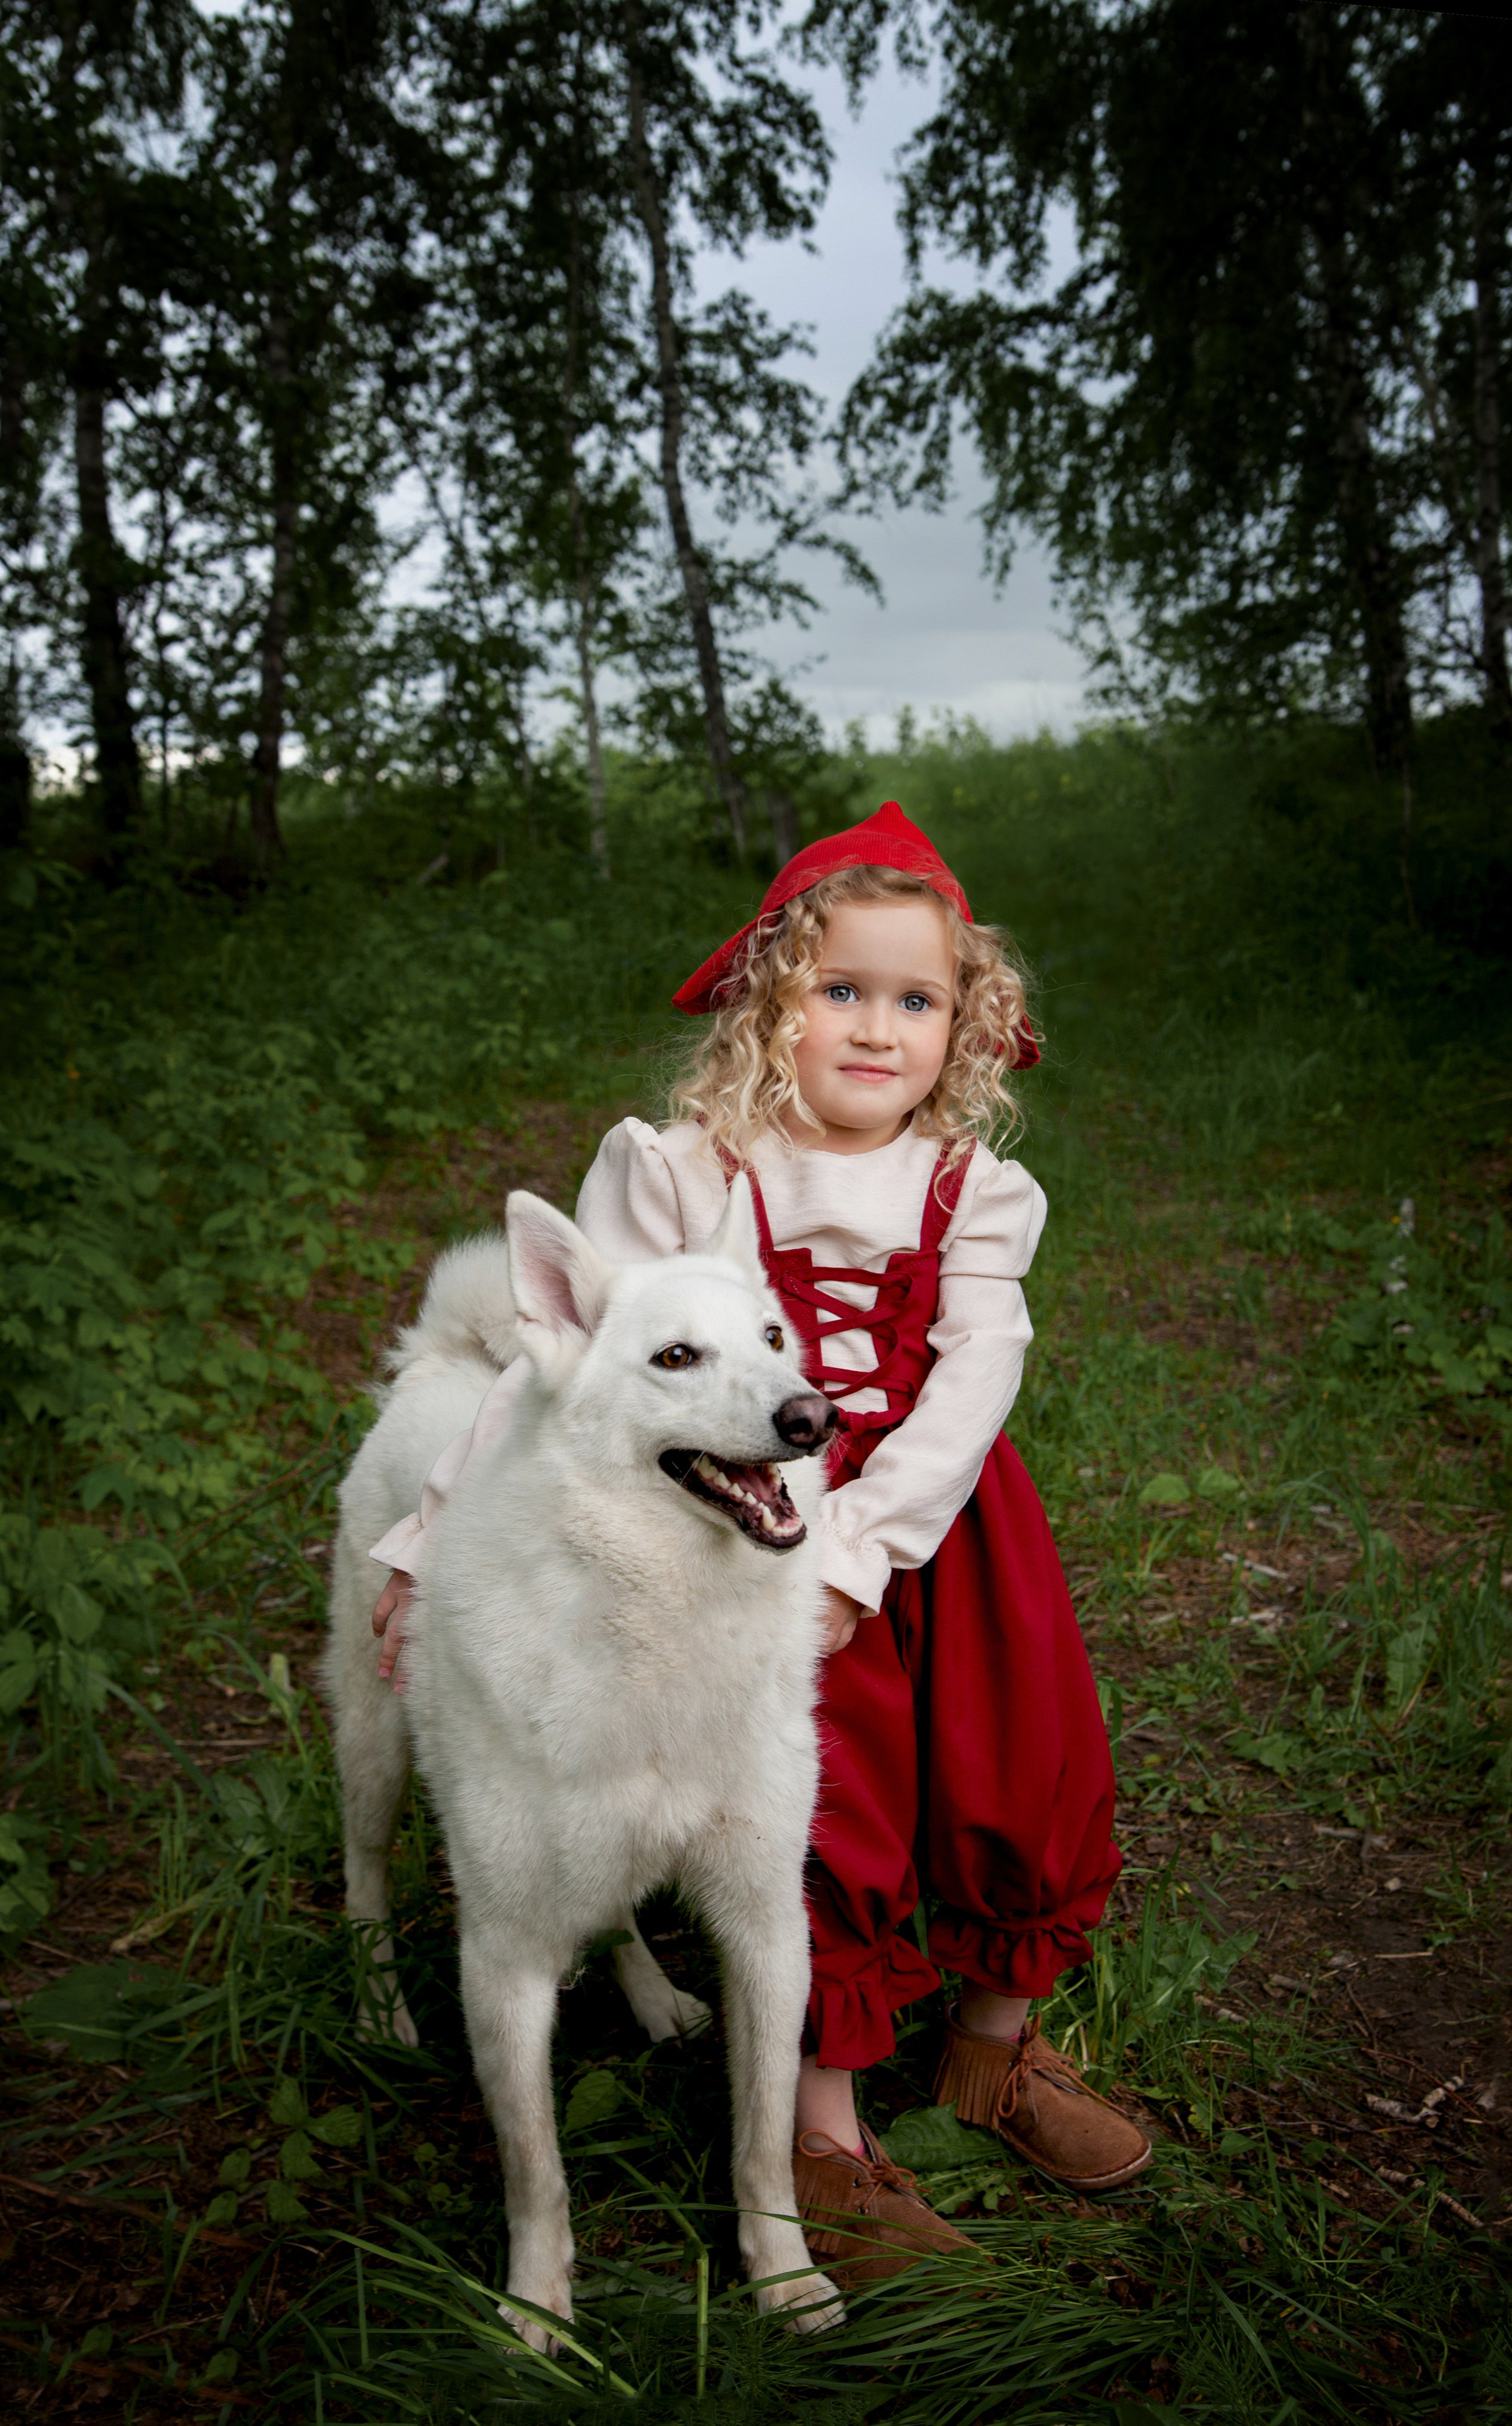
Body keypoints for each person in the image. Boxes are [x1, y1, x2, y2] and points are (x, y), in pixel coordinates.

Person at [368, 802, 1150, 2283]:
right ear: (767, 1001)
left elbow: (974, 1375)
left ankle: (996, 2047)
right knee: (825, 1811)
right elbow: (560, 1380)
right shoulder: (680, 1170)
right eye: (837, 989)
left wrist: (858, 1550)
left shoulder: (974, 1191)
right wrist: (423, 1537)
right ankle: (822, 2127)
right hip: (727, 1541)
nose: (875, 1027)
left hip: (934, 1522)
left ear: (963, 1027)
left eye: (915, 1000)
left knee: (1022, 1759)